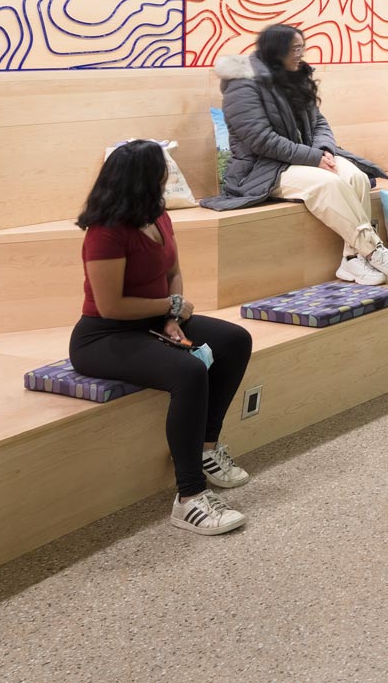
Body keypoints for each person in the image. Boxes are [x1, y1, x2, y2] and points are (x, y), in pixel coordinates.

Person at [73, 140, 255, 536]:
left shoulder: (157, 216)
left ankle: (207, 449)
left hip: (153, 319)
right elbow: (110, 306)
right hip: (103, 336)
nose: (168, 177)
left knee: (235, 340)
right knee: (189, 372)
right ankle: (189, 497)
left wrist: (171, 314)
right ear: (144, 178)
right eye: (163, 170)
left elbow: (173, 270)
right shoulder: (105, 231)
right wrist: (168, 308)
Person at [204, 24, 388, 286]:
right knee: (329, 183)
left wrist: (324, 150)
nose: (300, 54)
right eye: (294, 49)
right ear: (275, 50)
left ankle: (351, 261)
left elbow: (319, 122)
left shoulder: (295, 77)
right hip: (263, 169)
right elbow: (260, 140)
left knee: (356, 177)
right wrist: (313, 157)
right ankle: (373, 250)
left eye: (301, 47)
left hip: (305, 159)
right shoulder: (242, 86)